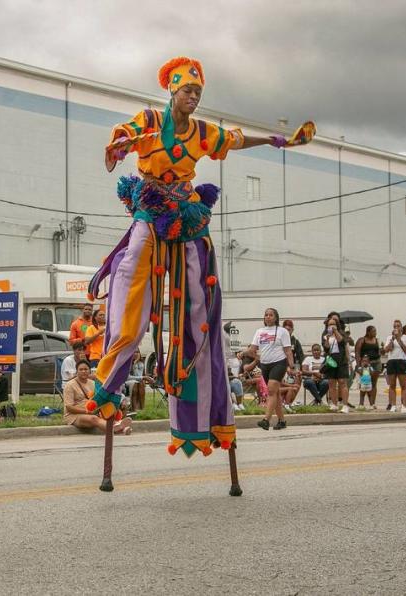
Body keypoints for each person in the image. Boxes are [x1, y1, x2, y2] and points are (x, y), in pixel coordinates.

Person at [89, 55, 314, 456]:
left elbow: (236, 139)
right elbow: (125, 133)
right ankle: (110, 375)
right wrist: (120, 144)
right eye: (187, 90)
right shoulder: (151, 121)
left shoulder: (202, 132)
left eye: (198, 92)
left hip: (188, 215)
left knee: (196, 307)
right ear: (173, 90)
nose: (193, 97)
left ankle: (196, 420)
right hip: (151, 208)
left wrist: (278, 140)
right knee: (132, 277)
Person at [250, 308, 296, 430]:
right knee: (275, 393)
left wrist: (291, 366)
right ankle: (282, 421)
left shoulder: (282, 331)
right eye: (266, 315)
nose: (268, 317)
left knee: (270, 390)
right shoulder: (259, 331)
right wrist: (244, 353)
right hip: (265, 365)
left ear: (276, 318)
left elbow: (288, 351)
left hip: (279, 363)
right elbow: (252, 349)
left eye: (271, 315)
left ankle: (266, 420)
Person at [63, 360, 131, 435]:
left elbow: (101, 397)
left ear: (90, 371)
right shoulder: (70, 385)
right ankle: (118, 429)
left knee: (108, 413)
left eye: (86, 369)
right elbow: (69, 407)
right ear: (77, 372)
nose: (83, 371)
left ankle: (120, 427)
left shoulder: (93, 383)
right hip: (74, 416)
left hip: (93, 412)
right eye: (81, 369)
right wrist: (87, 412)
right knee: (94, 419)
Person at [322, 312, 351, 413]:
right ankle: (334, 404)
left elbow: (341, 342)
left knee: (342, 382)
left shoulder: (341, 333)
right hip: (331, 361)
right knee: (331, 383)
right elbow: (326, 349)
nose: (331, 326)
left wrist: (335, 332)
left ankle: (345, 405)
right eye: (330, 324)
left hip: (341, 360)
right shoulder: (326, 336)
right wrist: (328, 338)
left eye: (333, 324)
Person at [383, 319, 406, 413]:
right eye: (395, 326)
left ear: (401, 328)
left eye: (398, 326)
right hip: (391, 361)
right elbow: (387, 349)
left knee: (404, 385)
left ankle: (403, 405)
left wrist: (399, 340)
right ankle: (393, 405)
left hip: (402, 361)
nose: (396, 328)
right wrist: (393, 339)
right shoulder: (389, 337)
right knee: (392, 385)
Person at [354, 326, 381, 409]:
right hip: (365, 365)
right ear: (368, 332)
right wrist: (359, 366)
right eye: (373, 331)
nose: (375, 333)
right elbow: (357, 353)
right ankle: (361, 403)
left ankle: (372, 403)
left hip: (376, 363)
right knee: (364, 383)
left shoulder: (376, 340)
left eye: (375, 331)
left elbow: (378, 352)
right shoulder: (362, 340)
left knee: (374, 384)